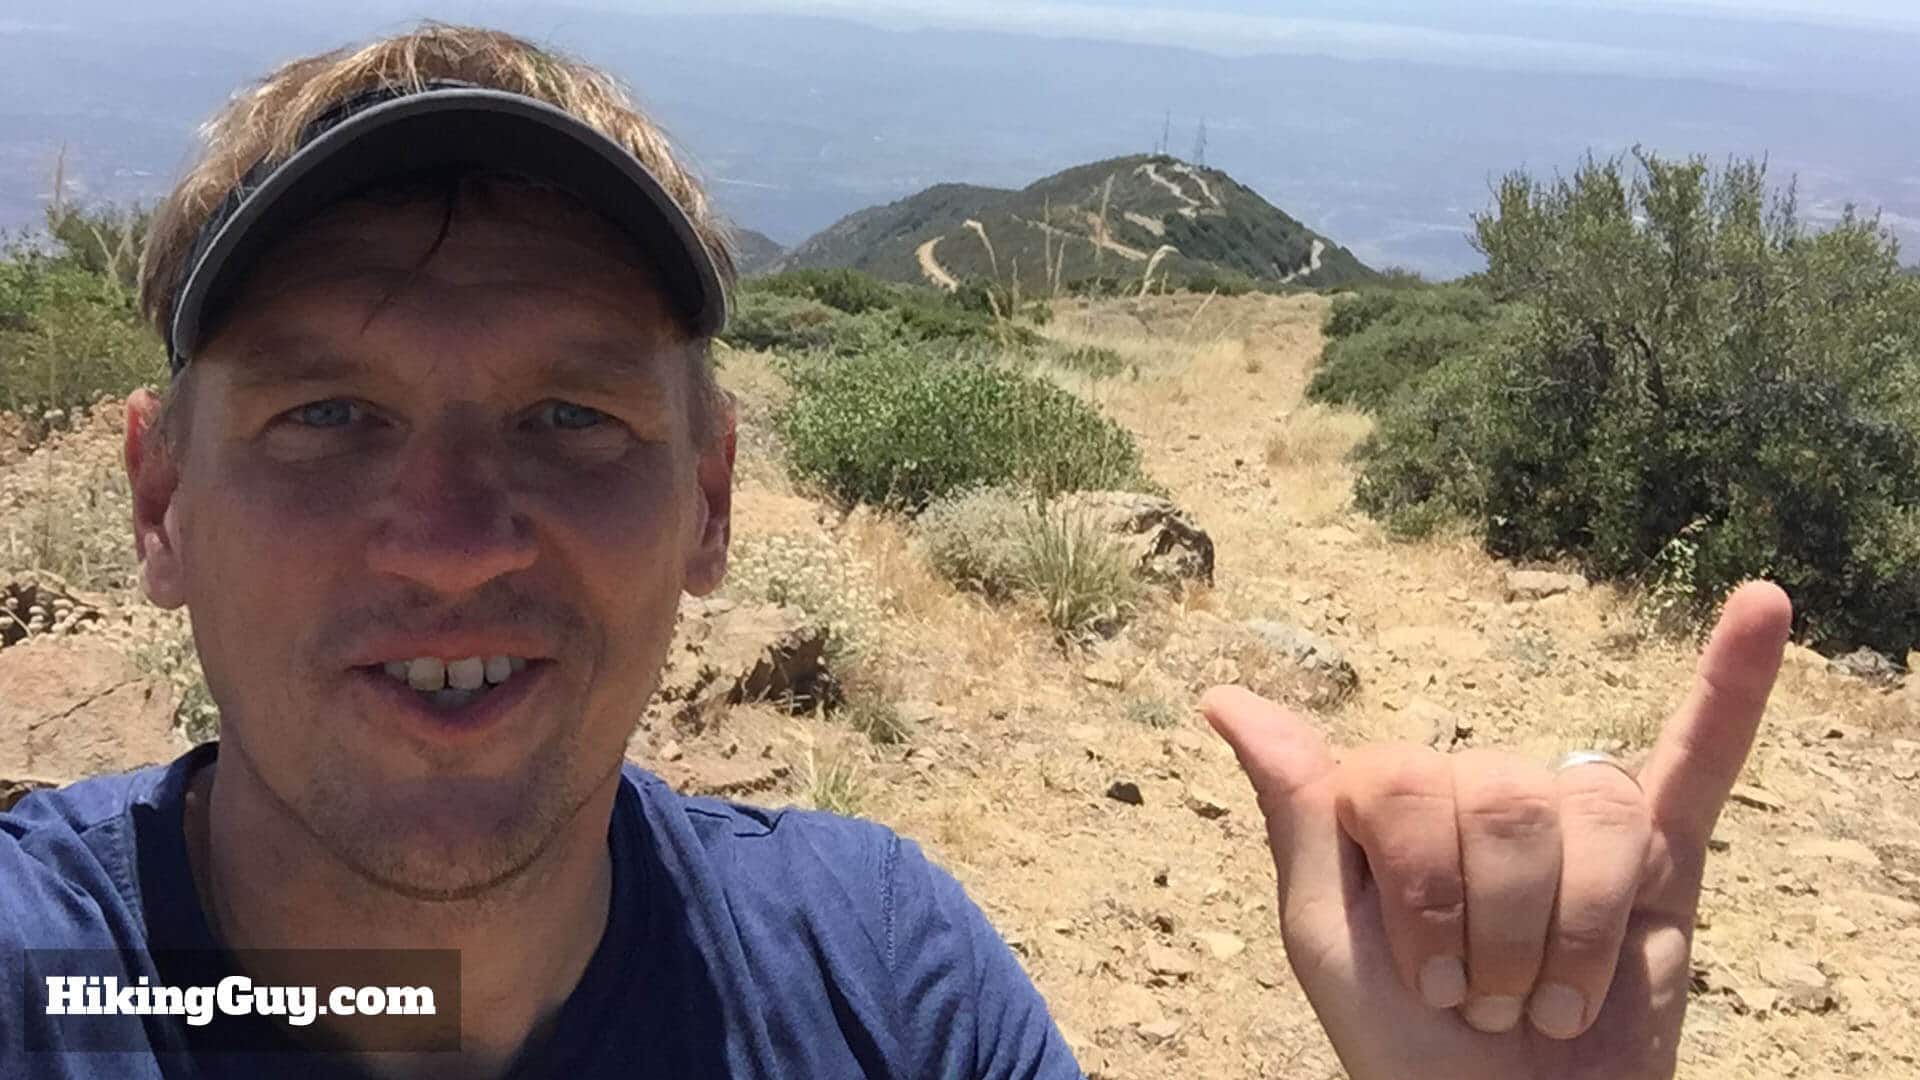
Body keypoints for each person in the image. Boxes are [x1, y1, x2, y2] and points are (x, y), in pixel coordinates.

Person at [0, 23, 1791, 1080]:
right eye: (328, 418)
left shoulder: (882, 983)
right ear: (159, 502)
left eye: (573, 421)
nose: (459, 543)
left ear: (707, 502)